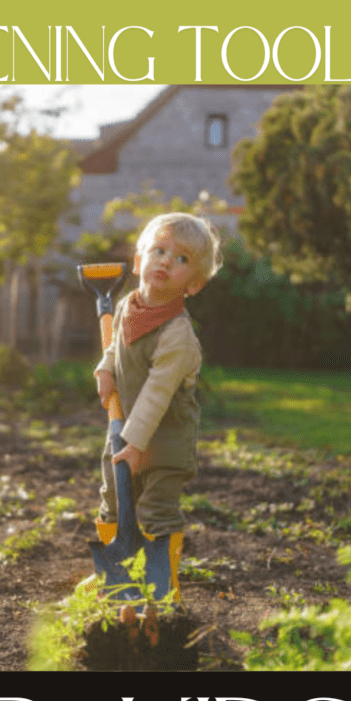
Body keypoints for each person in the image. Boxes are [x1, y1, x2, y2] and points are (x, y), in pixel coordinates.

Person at [93, 211, 223, 594]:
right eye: (159, 250)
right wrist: (105, 368)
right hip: (124, 429)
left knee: (156, 510)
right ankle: (114, 576)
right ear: (139, 262)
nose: (166, 261)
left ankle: (163, 586)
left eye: (181, 259)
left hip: (163, 440)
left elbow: (157, 392)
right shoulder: (126, 308)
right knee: (113, 497)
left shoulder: (178, 335)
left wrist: (136, 445)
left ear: (194, 285)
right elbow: (117, 347)